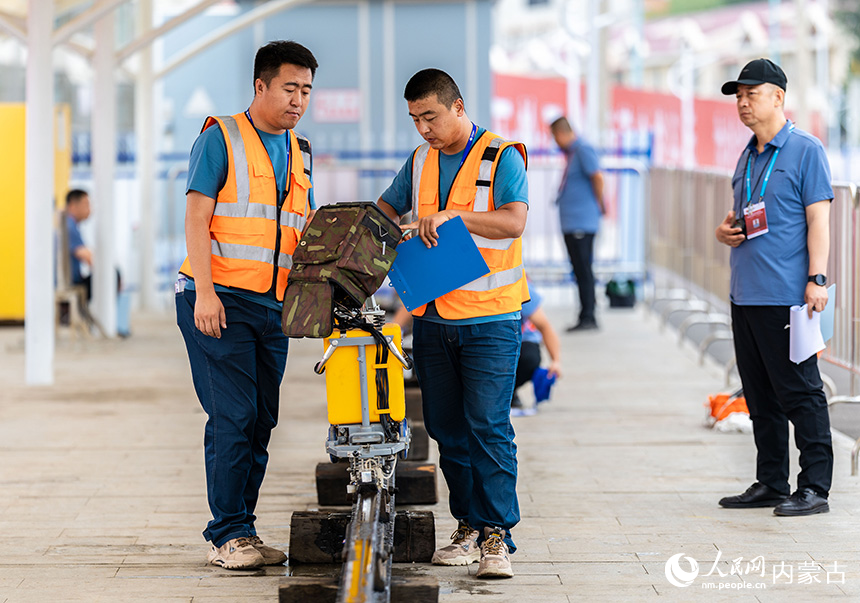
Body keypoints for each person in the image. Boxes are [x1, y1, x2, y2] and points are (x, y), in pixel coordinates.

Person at [377, 68, 528, 579]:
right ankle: (467, 526)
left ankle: (497, 537)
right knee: (447, 428)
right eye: (416, 119)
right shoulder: (419, 161)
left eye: (431, 116)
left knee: (488, 426)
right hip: (435, 319)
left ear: (458, 107)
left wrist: (450, 216)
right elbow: (385, 208)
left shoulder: (502, 156)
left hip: (491, 319)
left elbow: (513, 221)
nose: (424, 128)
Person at [175, 40, 318, 569]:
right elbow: (196, 217)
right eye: (289, 88)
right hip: (220, 300)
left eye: (305, 90)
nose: (298, 99)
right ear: (260, 86)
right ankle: (226, 535)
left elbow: (298, 232)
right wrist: (206, 293)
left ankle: (244, 529)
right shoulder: (222, 137)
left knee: (261, 419)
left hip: (272, 306)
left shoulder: (300, 150)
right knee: (233, 415)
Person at [715, 58, 834, 517]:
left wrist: (816, 279)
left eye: (751, 94)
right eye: (738, 96)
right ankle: (770, 480)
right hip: (744, 293)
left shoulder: (806, 149)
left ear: (778, 97)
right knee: (759, 393)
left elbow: (818, 219)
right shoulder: (747, 155)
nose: (743, 103)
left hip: (787, 295)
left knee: (800, 392)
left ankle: (815, 488)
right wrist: (723, 232)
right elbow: (742, 219)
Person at [549, 117, 605, 332]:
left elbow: (597, 177)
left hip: (582, 221)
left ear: (562, 133)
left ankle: (588, 316)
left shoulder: (583, 150)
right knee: (579, 270)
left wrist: (599, 205)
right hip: (572, 221)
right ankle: (585, 313)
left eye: (554, 136)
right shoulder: (572, 153)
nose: (554, 141)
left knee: (584, 269)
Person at [511, 281, 562, 417]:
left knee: (530, 359)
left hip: (520, 339)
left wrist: (555, 361)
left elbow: (544, 326)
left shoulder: (518, 284)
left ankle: (509, 391)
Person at [65, 189, 94, 300]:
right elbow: (89, 257)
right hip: (71, 282)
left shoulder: (69, 224)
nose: (90, 209)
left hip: (72, 278)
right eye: (86, 204)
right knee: (112, 276)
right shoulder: (69, 226)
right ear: (73, 205)